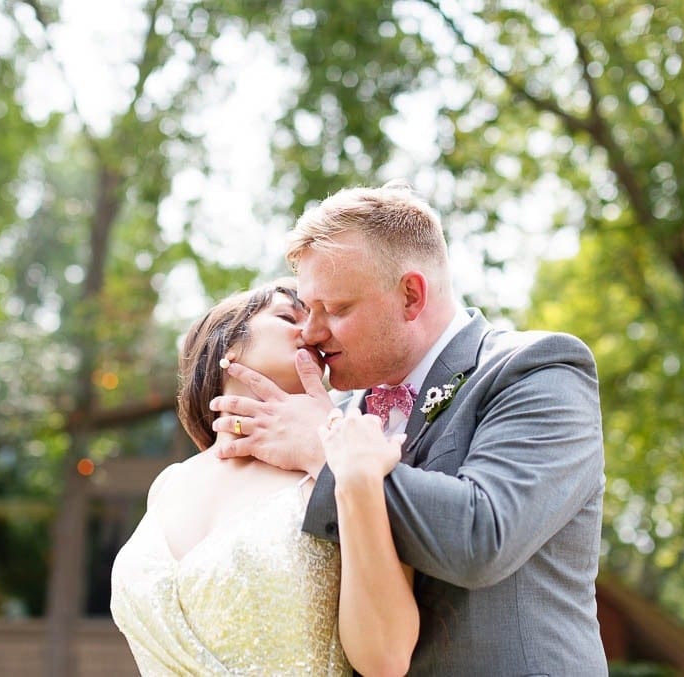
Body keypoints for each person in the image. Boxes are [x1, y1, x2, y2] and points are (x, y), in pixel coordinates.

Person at [210, 181, 609, 674]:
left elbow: (484, 537)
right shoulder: (339, 409)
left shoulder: (539, 370)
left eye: (335, 309)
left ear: (411, 295)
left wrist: (325, 449)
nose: (312, 332)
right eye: (307, 309)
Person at [110, 278, 419, 676]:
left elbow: (386, 659)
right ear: (227, 344)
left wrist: (341, 460)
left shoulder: (344, 463)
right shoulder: (169, 483)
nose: (312, 332)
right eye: (289, 316)